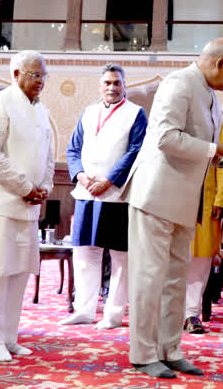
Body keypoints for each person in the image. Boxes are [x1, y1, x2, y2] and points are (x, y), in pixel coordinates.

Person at [123, 38, 223, 379]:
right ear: (219, 63)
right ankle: (143, 353)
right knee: (149, 278)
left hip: (184, 200)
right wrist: (218, 150)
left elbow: (205, 145)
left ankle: (170, 349)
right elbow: (165, 137)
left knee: (175, 279)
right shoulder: (178, 83)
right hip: (156, 196)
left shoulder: (208, 93)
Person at [0, 50, 55, 362]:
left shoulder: (41, 110)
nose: (40, 81)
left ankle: (9, 336)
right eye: (34, 75)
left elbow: (48, 154)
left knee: (18, 273)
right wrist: (24, 187)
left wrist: (43, 187)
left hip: (28, 206)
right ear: (15, 74)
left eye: (44, 75)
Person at [61, 63, 147, 329]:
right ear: (100, 86)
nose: (112, 87)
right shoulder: (88, 112)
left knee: (121, 256)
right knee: (85, 252)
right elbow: (73, 150)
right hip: (86, 192)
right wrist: (82, 177)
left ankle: (113, 313)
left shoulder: (136, 113)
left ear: (125, 86)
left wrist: (109, 180)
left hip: (117, 195)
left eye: (117, 83)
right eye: (107, 83)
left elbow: (135, 151)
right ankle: (84, 310)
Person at [184, 125, 223, 335]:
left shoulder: (214, 123)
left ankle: (192, 312)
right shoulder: (174, 117)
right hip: (173, 196)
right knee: (170, 257)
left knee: (201, 258)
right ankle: (171, 312)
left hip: (206, 201)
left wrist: (220, 198)